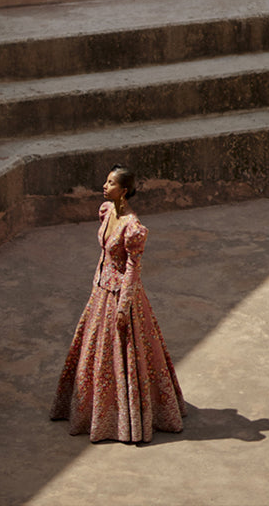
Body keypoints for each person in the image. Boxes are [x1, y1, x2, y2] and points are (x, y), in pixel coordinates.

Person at [50, 164, 186, 443]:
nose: (105, 185)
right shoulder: (107, 211)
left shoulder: (132, 227)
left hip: (121, 296)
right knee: (93, 354)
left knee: (124, 356)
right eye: (106, 181)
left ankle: (127, 420)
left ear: (124, 191)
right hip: (100, 292)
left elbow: (133, 269)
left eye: (111, 183)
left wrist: (124, 306)